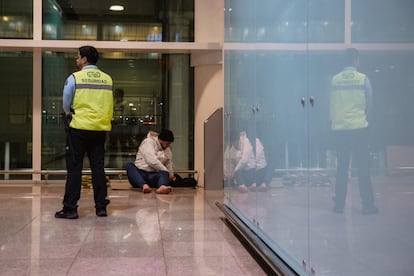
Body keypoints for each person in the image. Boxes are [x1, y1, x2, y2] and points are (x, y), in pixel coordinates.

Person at [55, 45, 114, 219]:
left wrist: (70, 116)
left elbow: (66, 102)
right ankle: (101, 207)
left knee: (75, 169)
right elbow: (110, 103)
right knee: (98, 168)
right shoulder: (107, 79)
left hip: (78, 129)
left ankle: (70, 208)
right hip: (99, 130)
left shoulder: (75, 77)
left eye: (78, 57)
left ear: (85, 59)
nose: (76, 60)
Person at [330, 48, 378, 214]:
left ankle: (339, 205)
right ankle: (368, 205)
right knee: (363, 168)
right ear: (355, 60)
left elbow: (331, 105)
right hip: (359, 128)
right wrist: (362, 116)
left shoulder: (334, 80)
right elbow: (369, 103)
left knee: (342, 167)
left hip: (340, 129)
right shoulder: (363, 79)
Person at [125, 129, 175, 194]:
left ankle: (162, 186)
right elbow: (152, 161)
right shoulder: (148, 142)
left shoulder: (167, 149)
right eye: (167, 143)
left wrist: (171, 174)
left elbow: (168, 162)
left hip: (154, 175)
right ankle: (144, 186)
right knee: (129, 166)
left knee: (164, 172)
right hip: (141, 173)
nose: (168, 145)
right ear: (161, 140)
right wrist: (165, 170)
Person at [108, 88, 129, 167]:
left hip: (123, 128)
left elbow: (126, 115)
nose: (115, 95)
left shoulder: (125, 104)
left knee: (123, 147)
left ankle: (125, 165)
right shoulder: (113, 103)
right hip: (114, 128)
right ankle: (111, 164)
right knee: (112, 147)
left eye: (116, 94)